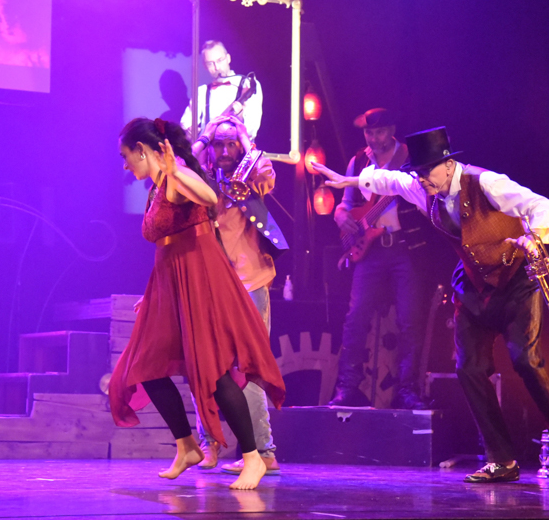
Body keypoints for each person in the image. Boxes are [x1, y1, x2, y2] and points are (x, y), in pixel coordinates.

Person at [312, 126, 549, 483]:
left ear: (448, 165)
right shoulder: (424, 187)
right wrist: (349, 182)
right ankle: (501, 457)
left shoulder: (486, 183)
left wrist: (533, 238)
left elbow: (541, 206)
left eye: (426, 173)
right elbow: (390, 180)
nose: (420, 181)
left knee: (524, 360)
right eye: (418, 174)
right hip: (473, 284)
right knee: (469, 368)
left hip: (516, 278)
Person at [108, 118, 286, 491]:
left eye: (128, 156)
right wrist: (153, 295)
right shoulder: (157, 186)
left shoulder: (179, 174)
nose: (126, 165)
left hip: (199, 281)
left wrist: (173, 169)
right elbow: (168, 247)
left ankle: (254, 457)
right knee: (146, 366)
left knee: (214, 372)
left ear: (143, 150)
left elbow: (207, 198)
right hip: (171, 285)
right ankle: (186, 445)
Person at [190, 115, 288, 476]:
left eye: (232, 143)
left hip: (250, 281)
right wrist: (203, 137)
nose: (226, 150)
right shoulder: (201, 179)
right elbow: (183, 165)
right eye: (220, 143)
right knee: (204, 365)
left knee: (250, 367)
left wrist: (245, 139)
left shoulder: (249, 174)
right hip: (211, 284)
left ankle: (264, 452)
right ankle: (209, 443)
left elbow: (265, 174)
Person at [329, 108, 441, 409]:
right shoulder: (359, 161)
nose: (373, 138)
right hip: (371, 250)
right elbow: (344, 205)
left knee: (409, 320)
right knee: (355, 318)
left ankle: (408, 390)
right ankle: (346, 388)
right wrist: (341, 218)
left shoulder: (408, 159)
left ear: (391, 130)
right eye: (368, 133)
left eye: (378, 133)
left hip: (406, 248)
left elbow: (429, 197)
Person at [181, 41, 263, 141]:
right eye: (210, 63)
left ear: (228, 58)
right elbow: (186, 122)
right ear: (205, 66)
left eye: (220, 60)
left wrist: (240, 118)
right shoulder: (202, 92)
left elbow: (252, 130)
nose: (217, 67)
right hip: (208, 153)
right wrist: (189, 131)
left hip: (240, 153)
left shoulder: (248, 84)